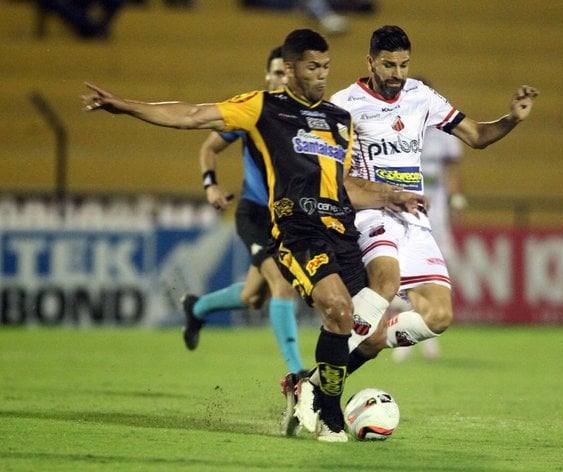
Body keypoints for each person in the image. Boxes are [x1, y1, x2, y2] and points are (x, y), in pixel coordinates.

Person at [81, 28, 426, 442]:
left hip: (340, 230)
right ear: (291, 69)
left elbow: (346, 186)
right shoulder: (263, 108)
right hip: (297, 229)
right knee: (336, 308)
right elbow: (192, 115)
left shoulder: (340, 121)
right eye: (313, 67)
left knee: (360, 326)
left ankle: (306, 390)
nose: (321, 76)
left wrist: (391, 195)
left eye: (327, 67)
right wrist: (124, 106)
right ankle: (331, 418)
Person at [293, 25, 539, 432]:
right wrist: (377, 194)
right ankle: (325, 399)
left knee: (437, 316)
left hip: (414, 219)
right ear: (370, 62)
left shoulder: (420, 97)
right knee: (386, 282)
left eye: (404, 64)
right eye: (388, 65)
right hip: (371, 213)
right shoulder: (344, 105)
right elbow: (331, 176)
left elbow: (476, 136)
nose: (397, 73)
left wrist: (512, 118)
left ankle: (312, 385)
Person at [179, 47, 308, 414]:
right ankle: (297, 373)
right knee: (282, 287)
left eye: (287, 74)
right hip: (254, 215)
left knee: (254, 297)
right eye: (276, 73)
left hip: (287, 219)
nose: (281, 80)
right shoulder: (254, 114)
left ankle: (198, 306)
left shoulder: (310, 118)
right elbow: (209, 147)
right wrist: (210, 185)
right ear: (267, 77)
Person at [392, 78, 466, 362]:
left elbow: (452, 171)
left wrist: (457, 198)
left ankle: (424, 328)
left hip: (439, 216)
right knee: (406, 275)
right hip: (407, 213)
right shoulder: (397, 129)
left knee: (443, 273)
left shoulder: (444, 132)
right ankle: (409, 335)